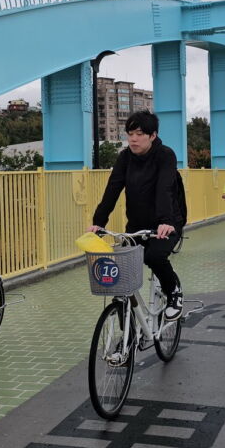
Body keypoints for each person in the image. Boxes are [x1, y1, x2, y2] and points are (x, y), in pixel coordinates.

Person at [89, 111, 187, 321]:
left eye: (139, 134)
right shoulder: (125, 157)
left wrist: (166, 221)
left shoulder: (165, 155)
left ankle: (174, 292)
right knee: (122, 265)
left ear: (152, 135)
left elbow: (165, 189)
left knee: (154, 257)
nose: (133, 139)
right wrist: (98, 222)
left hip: (167, 223)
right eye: (130, 133)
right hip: (137, 224)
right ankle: (128, 339)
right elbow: (112, 189)